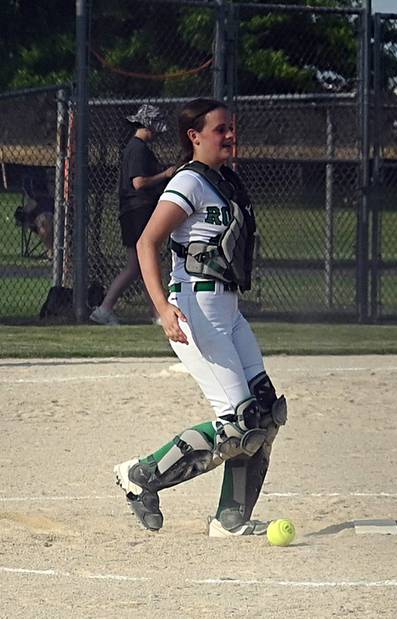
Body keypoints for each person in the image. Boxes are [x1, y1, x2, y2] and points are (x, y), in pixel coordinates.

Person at [113, 98, 288, 537]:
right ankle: (142, 477)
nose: (229, 135)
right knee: (236, 422)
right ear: (194, 136)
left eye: (231, 128)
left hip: (227, 308)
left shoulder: (224, 181)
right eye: (219, 130)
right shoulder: (188, 182)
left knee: (265, 412)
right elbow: (146, 242)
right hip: (196, 306)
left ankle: (231, 520)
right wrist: (162, 306)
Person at [90, 104, 175, 325]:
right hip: (137, 211)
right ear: (147, 125)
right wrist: (164, 174)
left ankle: (155, 312)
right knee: (138, 265)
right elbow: (138, 182)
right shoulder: (137, 149)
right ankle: (105, 309)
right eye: (155, 127)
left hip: (135, 211)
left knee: (142, 265)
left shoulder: (136, 148)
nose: (157, 133)